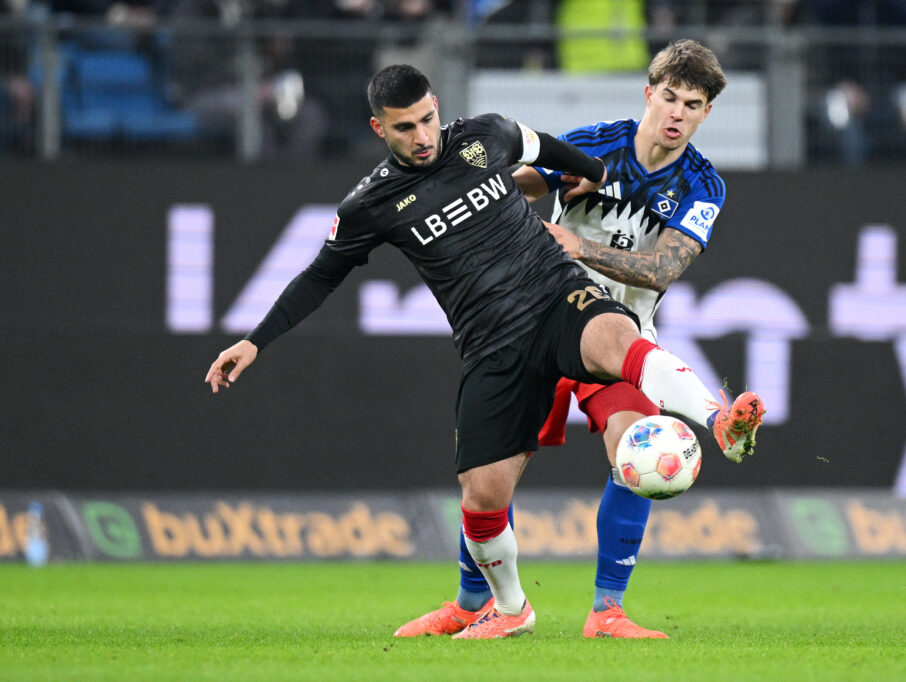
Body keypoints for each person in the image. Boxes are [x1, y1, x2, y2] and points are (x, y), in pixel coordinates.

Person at [205, 63, 765, 639]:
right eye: (406, 128)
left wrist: (587, 176)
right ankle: (500, 606)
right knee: (482, 492)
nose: (423, 137)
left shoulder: (483, 135)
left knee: (627, 373)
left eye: (428, 119)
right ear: (380, 128)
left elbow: (541, 147)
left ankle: (714, 427)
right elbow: (319, 275)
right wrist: (255, 339)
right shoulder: (369, 205)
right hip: (494, 342)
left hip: (560, 297)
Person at [393, 39, 755, 640]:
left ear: (706, 113)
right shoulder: (597, 144)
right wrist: (546, 185)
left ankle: (606, 612)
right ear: (649, 93)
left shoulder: (703, 187)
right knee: (490, 477)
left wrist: (579, 244)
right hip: (536, 321)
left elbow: (663, 269)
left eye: (692, 104)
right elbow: (512, 187)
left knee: (635, 449)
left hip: (615, 341)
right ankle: (469, 604)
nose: (676, 113)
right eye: (668, 97)